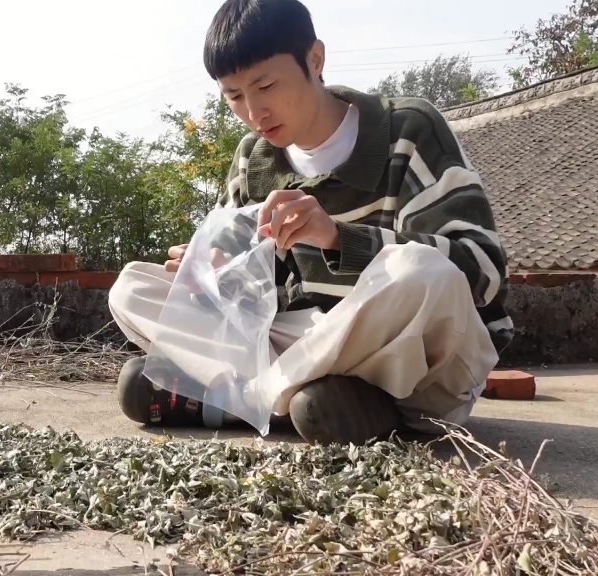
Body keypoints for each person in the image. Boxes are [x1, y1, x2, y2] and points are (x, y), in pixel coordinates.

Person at [108, 0, 514, 445]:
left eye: (265, 85)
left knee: (422, 272)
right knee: (132, 288)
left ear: (315, 59)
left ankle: (240, 398)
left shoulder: (406, 130)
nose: (253, 112)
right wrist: (214, 273)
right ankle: (316, 401)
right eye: (234, 95)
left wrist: (338, 238)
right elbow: (256, 298)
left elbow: (482, 273)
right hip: (303, 344)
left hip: (410, 360)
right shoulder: (252, 158)